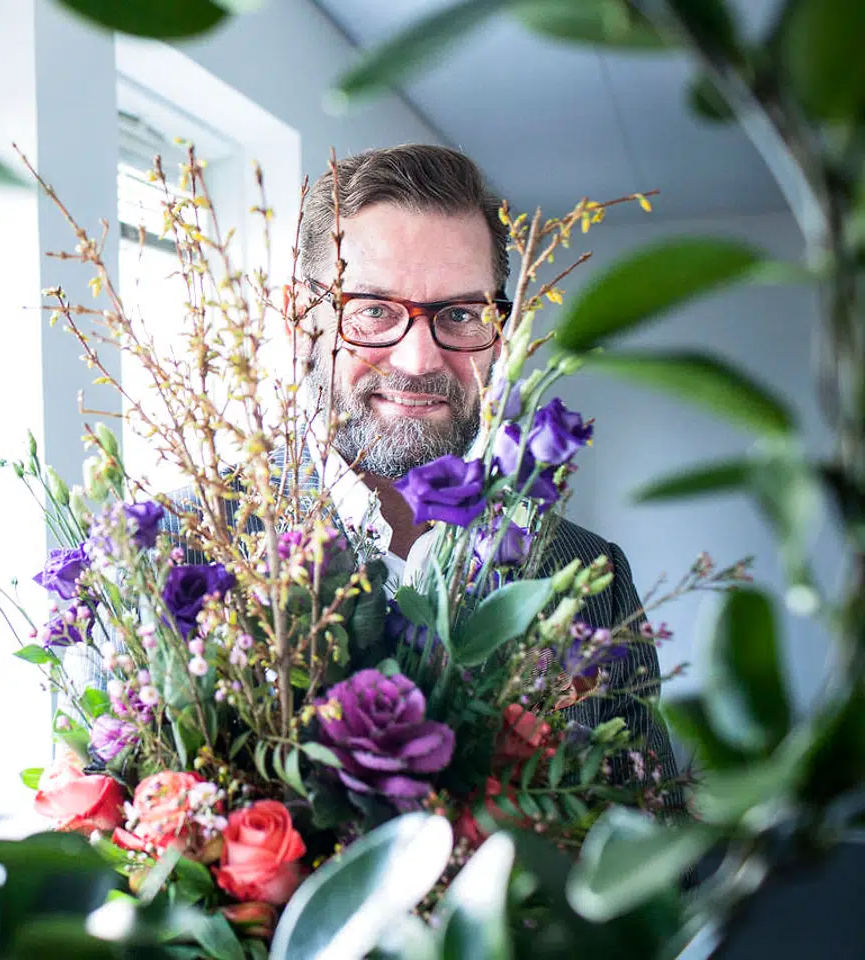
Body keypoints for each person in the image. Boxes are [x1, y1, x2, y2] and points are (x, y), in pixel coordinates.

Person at [286, 144, 684, 819]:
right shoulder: (175, 551)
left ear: (501, 332)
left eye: (462, 314)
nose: (419, 361)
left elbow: (656, 845)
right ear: (303, 319)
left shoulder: (592, 577)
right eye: (373, 310)